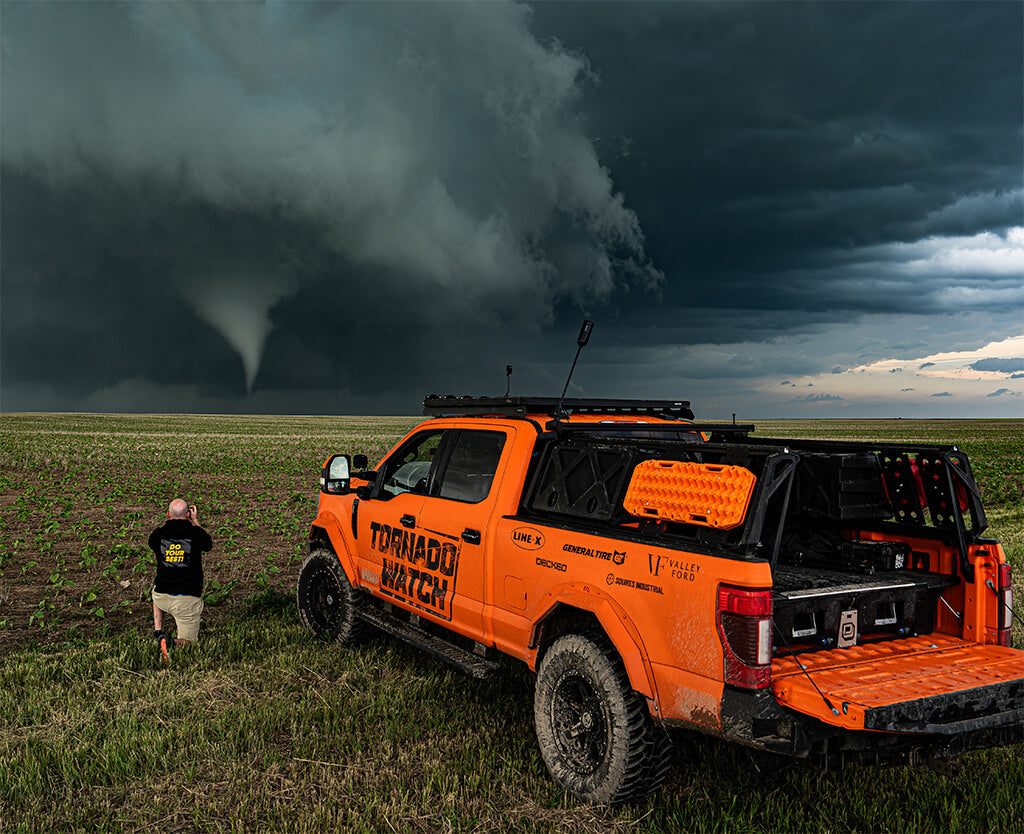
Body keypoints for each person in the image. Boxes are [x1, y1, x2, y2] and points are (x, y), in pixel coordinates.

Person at [148, 498, 213, 660]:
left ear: (168, 514)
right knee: (190, 643)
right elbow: (208, 545)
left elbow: (152, 543)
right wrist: (196, 521)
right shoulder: (196, 533)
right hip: (186, 601)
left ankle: (158, 629)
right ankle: (169, 642)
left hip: (161, 597)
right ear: (188, 514)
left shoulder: (157, 534)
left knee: (156, 587)